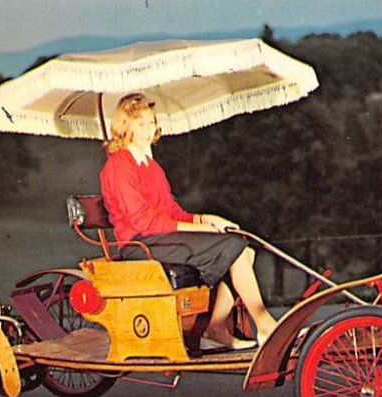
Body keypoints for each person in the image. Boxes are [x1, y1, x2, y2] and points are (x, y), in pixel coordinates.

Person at [99, 93, 277, 349]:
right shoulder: (118, 167)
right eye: (140, 124)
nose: (149, 130)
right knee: (232, 247)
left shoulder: (149, 165)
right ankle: (265, 325)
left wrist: (206, 218)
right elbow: (144, 221)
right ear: (125, 127)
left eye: (151, 122)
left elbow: (170, 210)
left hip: (159, 238)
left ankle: (216, 328)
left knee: (244, 252)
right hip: (140, 245)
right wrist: (199, 228)